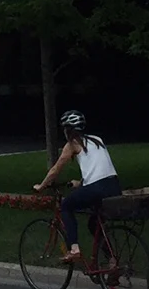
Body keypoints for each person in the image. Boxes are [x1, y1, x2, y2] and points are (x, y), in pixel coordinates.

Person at [33, 110, 121, 262]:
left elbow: (55, 170)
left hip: (96, 188)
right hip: (113, 186)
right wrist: (80, 183)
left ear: (67, 130)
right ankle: (112, 261)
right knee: (94, 224)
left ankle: (74, 249)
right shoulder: (97, 139)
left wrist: (41, 186)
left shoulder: (72, 144)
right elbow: (98, 169)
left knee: (66, 206)